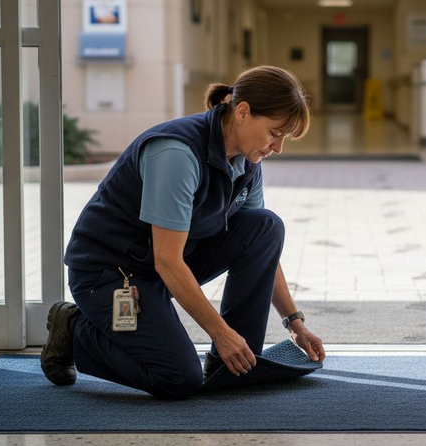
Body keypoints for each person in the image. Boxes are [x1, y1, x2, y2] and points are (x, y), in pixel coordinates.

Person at [40, 65, 326, 399]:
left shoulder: (248, 161)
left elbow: (262, 250)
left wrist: (294, 323)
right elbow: (167, 261)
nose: (278, 147)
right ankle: (74, 329)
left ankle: (233, 362)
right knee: (178, 378)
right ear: (243, 112)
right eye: (274, 133)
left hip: (164, 264)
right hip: (110, 274)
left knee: (265, 225)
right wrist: (219, 332)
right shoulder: (177, 154)